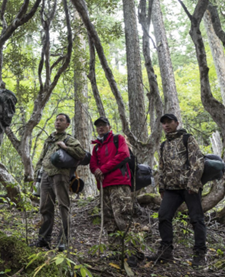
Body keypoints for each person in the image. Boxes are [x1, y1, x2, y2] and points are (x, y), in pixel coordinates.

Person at [147, 114, 206, 267]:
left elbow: (198, 161)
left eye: (169, 122)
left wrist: (193, 184)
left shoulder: (187, 138)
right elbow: (161, 167)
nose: (166, 125)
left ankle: (200, 254)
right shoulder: (163, 145)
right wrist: (161, 187)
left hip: (189, 188)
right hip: (171, 189)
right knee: (163, 216)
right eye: (164, 123)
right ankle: (166, 251)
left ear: (176, 123)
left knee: (196, 219)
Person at [89, 117, 143, 267]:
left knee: (123, 218)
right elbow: (93, 164)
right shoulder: (96, 147)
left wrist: (103, 169)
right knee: (109, 220)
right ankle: (116, 252)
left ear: (109, 126)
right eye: (98, 126)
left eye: (103, 125)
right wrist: (96, 171)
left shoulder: (118, 139)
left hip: (119, 183)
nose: (100, 128)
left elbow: (123, 155)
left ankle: (134, 253)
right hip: (104, 186)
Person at [30, 113, 86, 251]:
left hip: (60, 177)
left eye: (61, 120)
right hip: (45, 176)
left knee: (63, 207)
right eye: (56, 120)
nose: (58, 122)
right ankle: (43, 239)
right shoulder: (49, 139)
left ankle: (63, 241)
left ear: (67, 124)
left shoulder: (69, 139)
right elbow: (42, 158)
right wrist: (37, 173)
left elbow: (81, 153)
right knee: (45, 208)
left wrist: (65, 147)